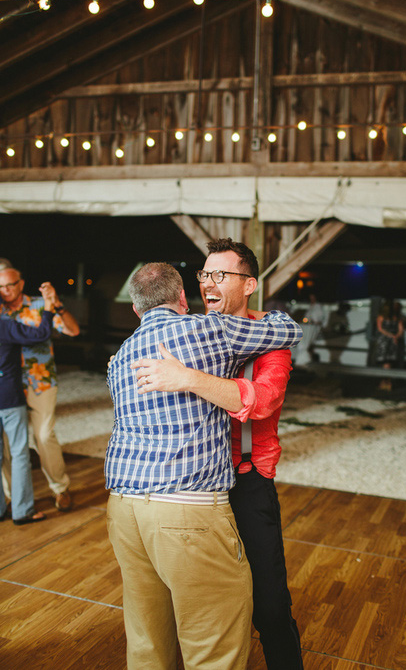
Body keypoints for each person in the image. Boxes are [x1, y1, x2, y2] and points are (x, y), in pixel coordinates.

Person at [105, 261, 302, 670]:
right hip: (185, 508)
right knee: (213, 645)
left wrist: (189, 377)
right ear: (182, 298)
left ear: (136, 310)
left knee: (146, 640)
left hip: (123, 507)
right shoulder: (208, 329)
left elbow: (264, 396)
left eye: (220, 275)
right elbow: (290, 329)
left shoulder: (119, 357)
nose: (210, 284)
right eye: (204, 277)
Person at [0, 267, 80, 512]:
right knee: (6, 444)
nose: (5, 291)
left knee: (44, 436)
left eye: (10, 285)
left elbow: (73, 331)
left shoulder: (39, 305)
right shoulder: (0, 310)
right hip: (8, 386)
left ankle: (60, 488)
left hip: (40, 381)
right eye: (0, 287)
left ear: (21, 283)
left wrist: (55, 304)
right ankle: (13, 497)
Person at [0, 285, 55, 525]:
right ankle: (23, 511)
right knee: (19, 452)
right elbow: (40, 334)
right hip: (9, 397)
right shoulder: (4, 325)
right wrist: (49, 309)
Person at [374, 299, 404, 390]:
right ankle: (388, 382)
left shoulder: (381, 317)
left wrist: (390, 336)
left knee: (385, 362)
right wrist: (395, 337)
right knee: (389, 362)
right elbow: (400, 330)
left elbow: (380, 329)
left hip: (384, 341)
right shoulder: (397, 317)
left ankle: (385, 382)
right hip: (393, 342)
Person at [293, 291, 325, 367]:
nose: (312, 299)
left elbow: (319, 319)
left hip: (312, 327)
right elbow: (307, 317)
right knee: (302, 341)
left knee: (305, 342)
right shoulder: (311, 306)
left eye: (313, 298)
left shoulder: (318, 306)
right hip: (307, 326)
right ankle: (303, 359)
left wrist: (313, 321)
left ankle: (303, 359)